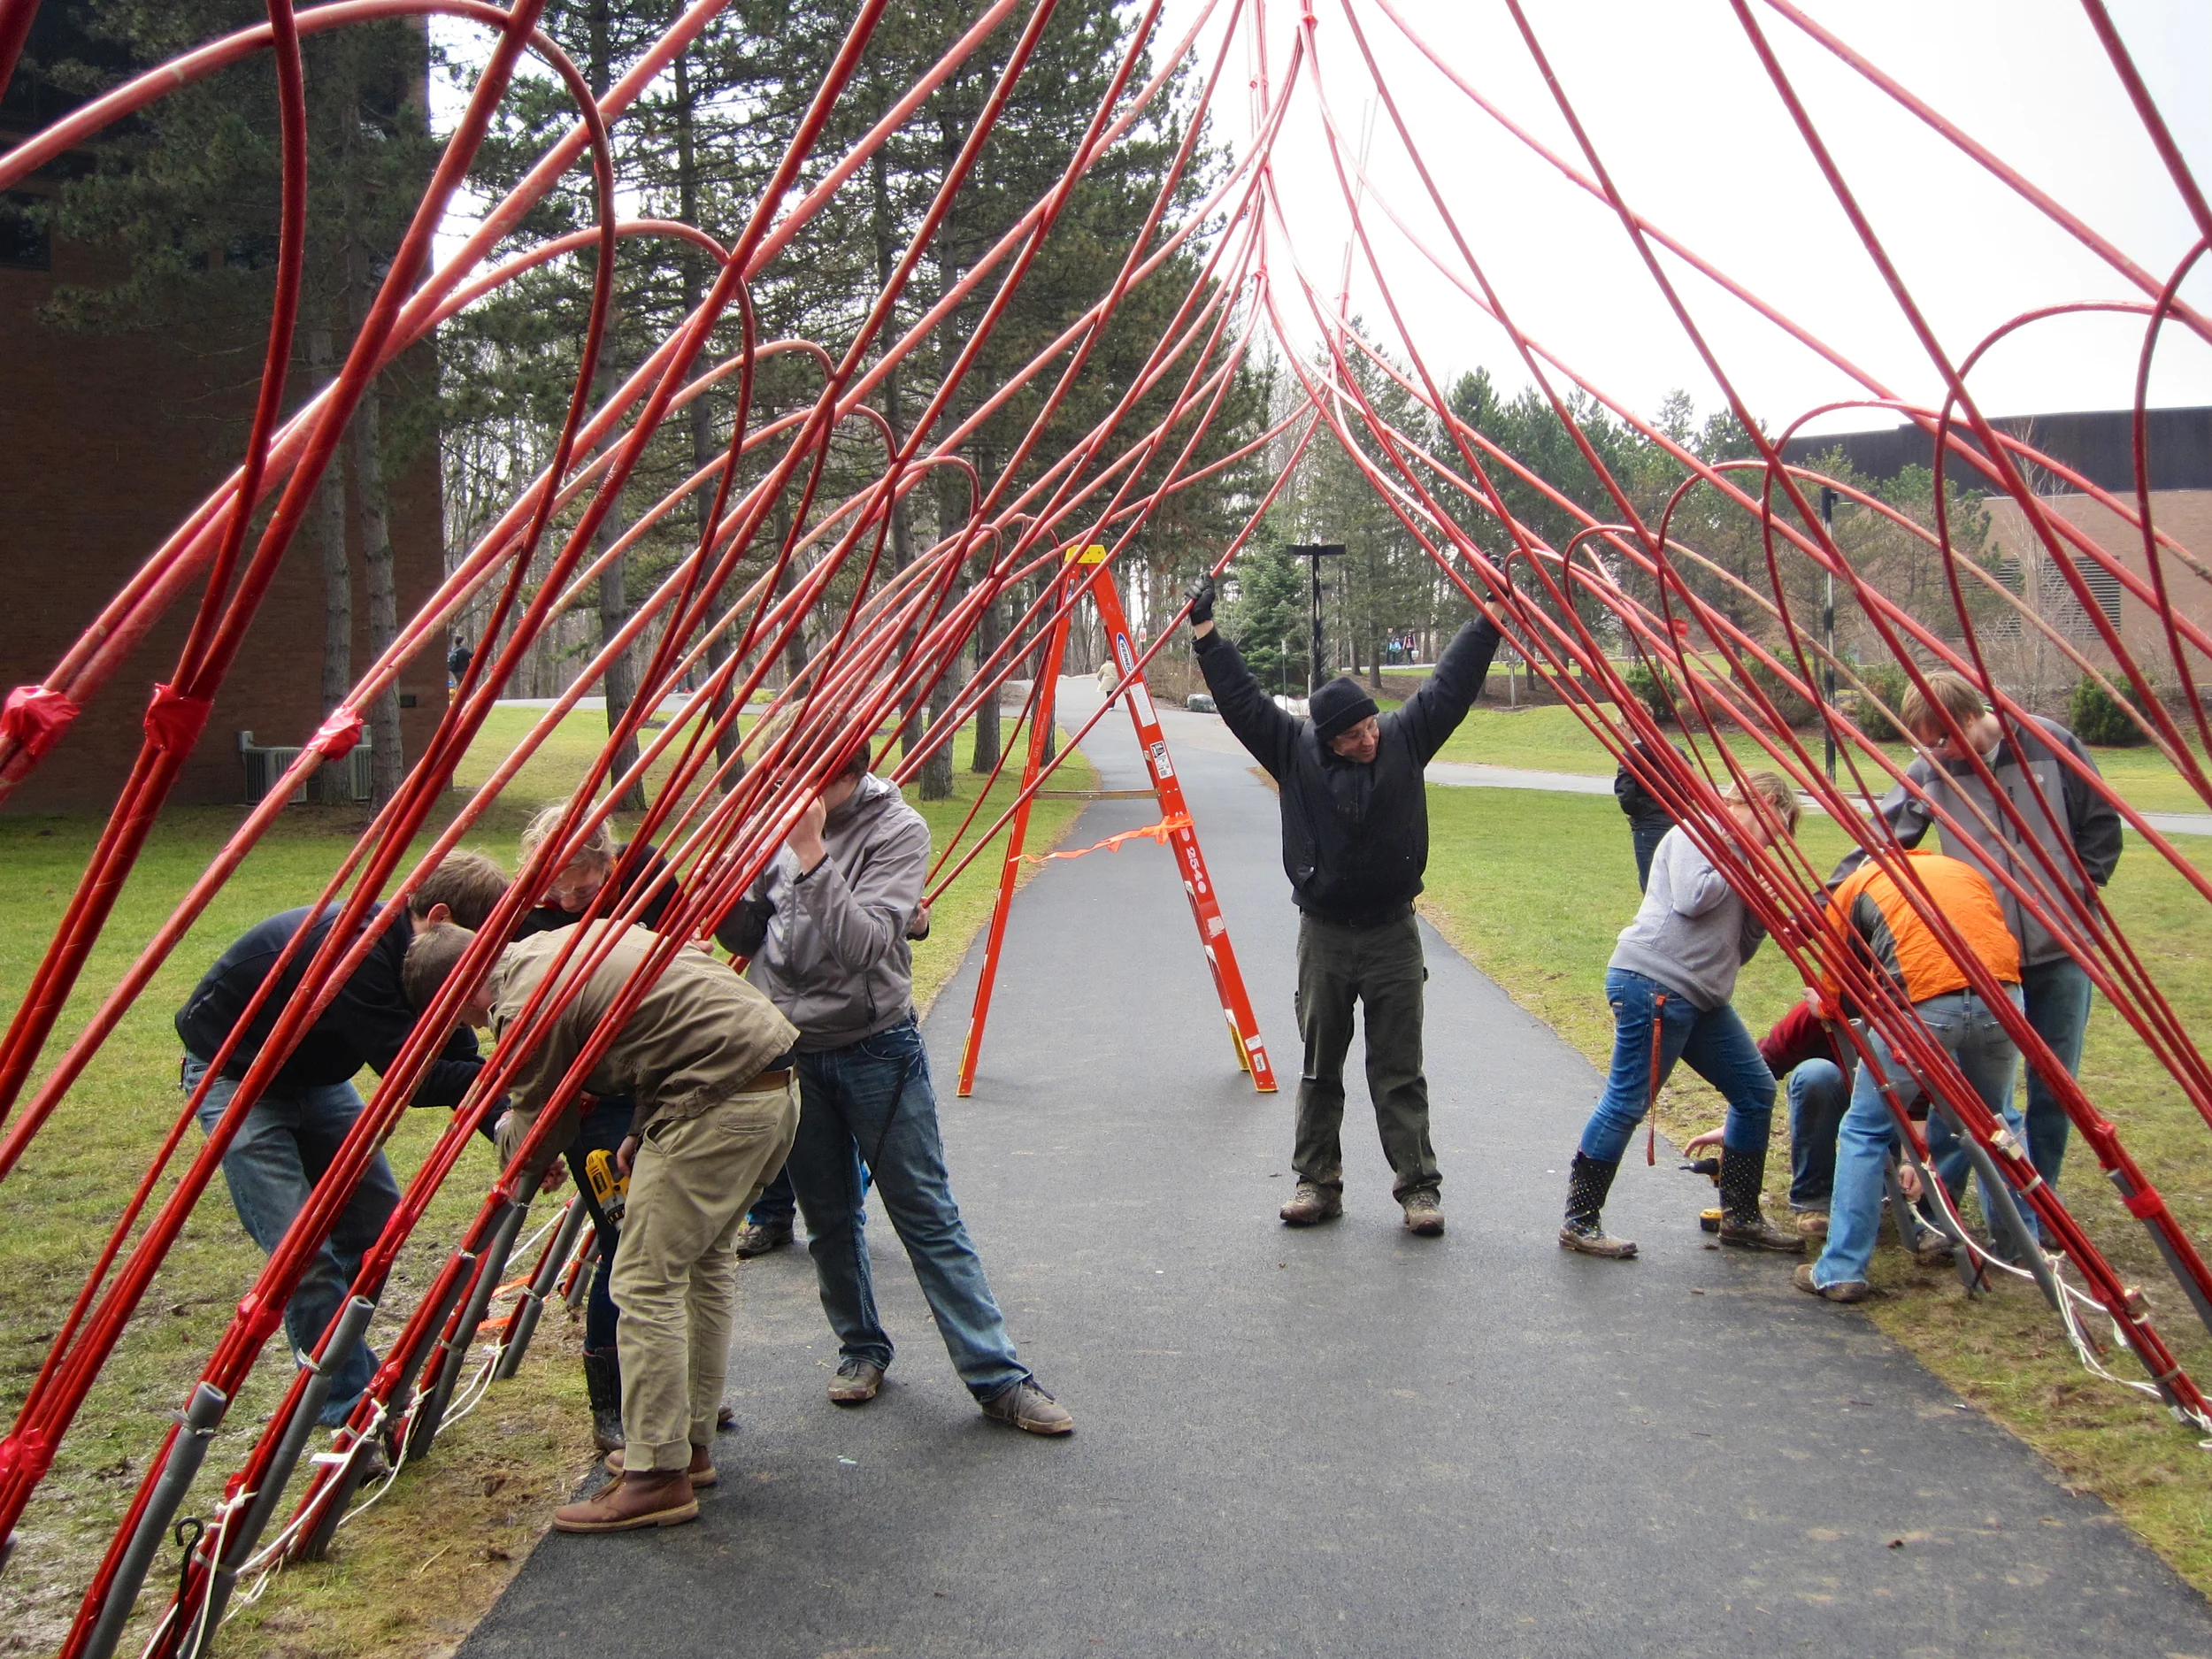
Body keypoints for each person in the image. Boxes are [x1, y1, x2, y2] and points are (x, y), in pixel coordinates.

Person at [716, 741, 1073, 1434]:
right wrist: (727, 883)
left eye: (800, 772)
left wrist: (810, 850)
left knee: (926, 1213)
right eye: (780, 774)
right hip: (790, 1048)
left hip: (875, 1048)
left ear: (845, 772)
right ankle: (861, 1347)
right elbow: (748, 934)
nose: (785, 787)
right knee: (827, 1217)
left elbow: (862, 946)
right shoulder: (775, 821)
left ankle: (997, 1376)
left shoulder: (898, 829)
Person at [411, 915, 800, 1532]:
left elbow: (538, 1129)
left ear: (456, 996)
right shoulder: (568, 943)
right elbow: (660, 1027)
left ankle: (656, 1475)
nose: (472, 1030)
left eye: (457, 1019)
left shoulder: (525, 1002)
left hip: (718, 1102)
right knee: (703, 1266)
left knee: (644, 1282)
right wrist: (642, 1127)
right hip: (769, 1084)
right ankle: (686, 1445)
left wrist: (510, 1138)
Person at [1187, 573, 1502, 1236]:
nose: (1369, 739)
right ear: (1326, 740)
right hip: (1324, 935)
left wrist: (1491, 613)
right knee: (1319, 1066)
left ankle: (1418, 1188)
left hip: (1393, 933)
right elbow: (1241, 701)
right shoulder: (1292, 750)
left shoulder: (1405, 736)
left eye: (1369, 726)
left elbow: (1451, 684)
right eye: (1354, 735)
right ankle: (1316, 1182)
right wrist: (1207, 633)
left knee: (1399, 1070)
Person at [176, 851, 510, 1432]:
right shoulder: (359, 952)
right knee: (301, 1258)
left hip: (317, 1079)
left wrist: (504, 1126)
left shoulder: (423, 954)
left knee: (375, 1222)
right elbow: (415, 1078)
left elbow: (453, 1048)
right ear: (439, 917)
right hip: (238, 1078)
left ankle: (338, 1362)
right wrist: (507, 1082)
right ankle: (348, 1409)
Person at [1830, 670, 2120, 1225]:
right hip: (1986, 957)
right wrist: (1827, 902)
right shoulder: (1930, 771)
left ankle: (2041, 1207)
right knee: (1965, 1091)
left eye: (1940, 739)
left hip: (2062, 948)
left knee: (2055, 1083)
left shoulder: (2050, 743)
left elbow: (2102, 824)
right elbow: (1881, 842)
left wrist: (2078, 892)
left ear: (1969, 716)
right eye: (1924, 744)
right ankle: (1945, 1211)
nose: (1935, 752)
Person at [1559, 772, 1804, 1259]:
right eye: (1780, 826)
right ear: (1767, 801)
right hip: (1653, 981)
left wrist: (1762, 912)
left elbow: (1736, 950)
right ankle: (1580, 1222)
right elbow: (1693, 899)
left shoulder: (1740, 858)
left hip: (1701, 996)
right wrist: (1741, 860)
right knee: (1628, 1101)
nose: (1776, 842)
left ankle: (1741, 1218)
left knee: (1755, 1090)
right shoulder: (1700, 833)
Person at [511, 804, 683, 1451]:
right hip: (592, 1097)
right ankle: (612, 1405)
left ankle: (672, 1389)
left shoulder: (647, 875)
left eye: (580, 890)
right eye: (553, 889)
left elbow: (683, 946)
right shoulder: (526, 915)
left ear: (609, 863)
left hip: (662, 1077)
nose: (565, 903)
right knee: (625, 1241)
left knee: (674, 1242)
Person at [1797, 849, 2024, 1302]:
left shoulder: (1856, 886)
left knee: (1865, 1128)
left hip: (1920, 1001)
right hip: (2001, 997)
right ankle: (2019, 1247)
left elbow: (1834, 983)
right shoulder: (1962, 870)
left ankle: (1842, 1269)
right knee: (1997, 1121)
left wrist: (1824, 1006)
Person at [728, 897, 932, 1261]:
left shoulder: (870, 861)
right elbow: (755, 924)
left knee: (856, 1136)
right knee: (783, 1122)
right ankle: (772, 1216)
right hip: (786, 1015)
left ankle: (845, 1216)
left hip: (858, 1022)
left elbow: (890, 921)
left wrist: (918, 925)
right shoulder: (778, 862)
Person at [1683, 994, 1852, 1240]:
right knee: (1814, 1076)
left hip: (1896, 1103)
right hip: (1841, 1091)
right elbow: (1761, 1070)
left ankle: (1903, 1199)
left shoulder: (1908, 1007)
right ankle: (1814, 1200)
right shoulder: (1823, 1005)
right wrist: (1733, 1128)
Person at [1613, 739, 1678, 892]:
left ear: (1627, 727)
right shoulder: (1675, 751)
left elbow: (1626, 795)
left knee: (1651, 884)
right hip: (1676, 824)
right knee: (1674, 879)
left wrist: (1636, 813)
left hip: (1647, 825)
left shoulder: (1631, 755)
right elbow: (1688, 789)